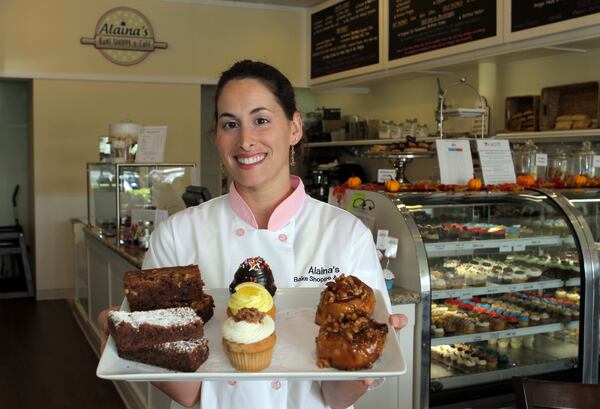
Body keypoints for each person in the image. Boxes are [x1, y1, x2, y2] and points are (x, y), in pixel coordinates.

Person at [98, 60, 407, 409]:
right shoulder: (178, 234)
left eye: (261, 120)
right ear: (217, 135)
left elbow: (336, 396)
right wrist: (134, 341)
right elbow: (189, 393)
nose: (245, 140)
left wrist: (367, 356)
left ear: (294, 128)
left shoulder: (345, 233)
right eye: (230, 124)